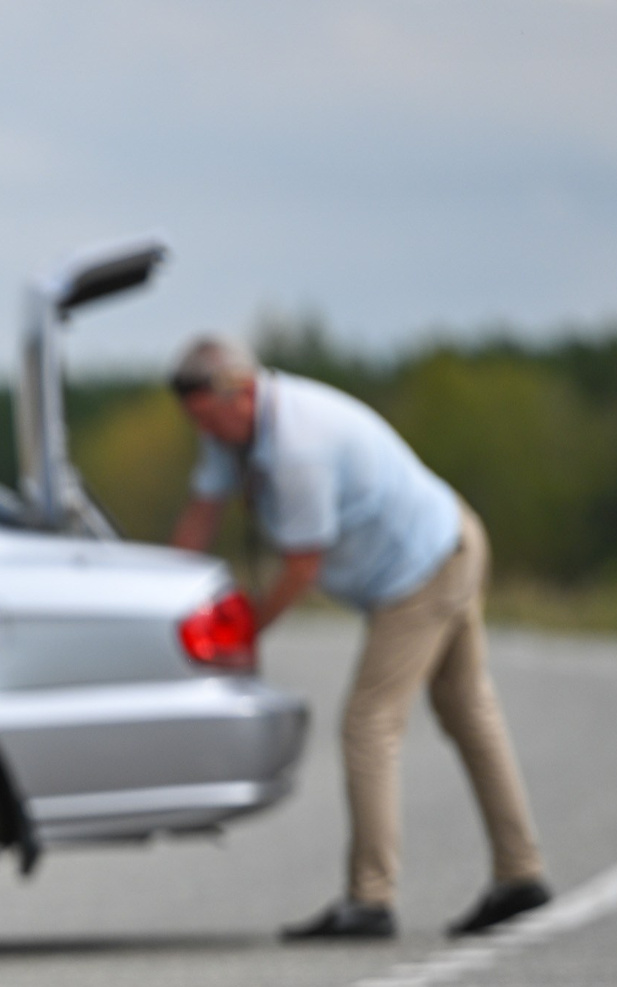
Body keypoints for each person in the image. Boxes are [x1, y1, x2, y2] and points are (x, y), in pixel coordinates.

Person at [168, 335, 550, 940]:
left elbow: (301, 567)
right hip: (435, 547)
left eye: (209, 418)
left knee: (369, 724)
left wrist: (245, 634)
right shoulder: (229, 432)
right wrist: (165, 593)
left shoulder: (299, 447)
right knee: (466, 711)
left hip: (426, 566)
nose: (205, 432)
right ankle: (520, 872)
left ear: (241, 393)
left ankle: (370, 899)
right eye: (196, 422)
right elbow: (201, 512)